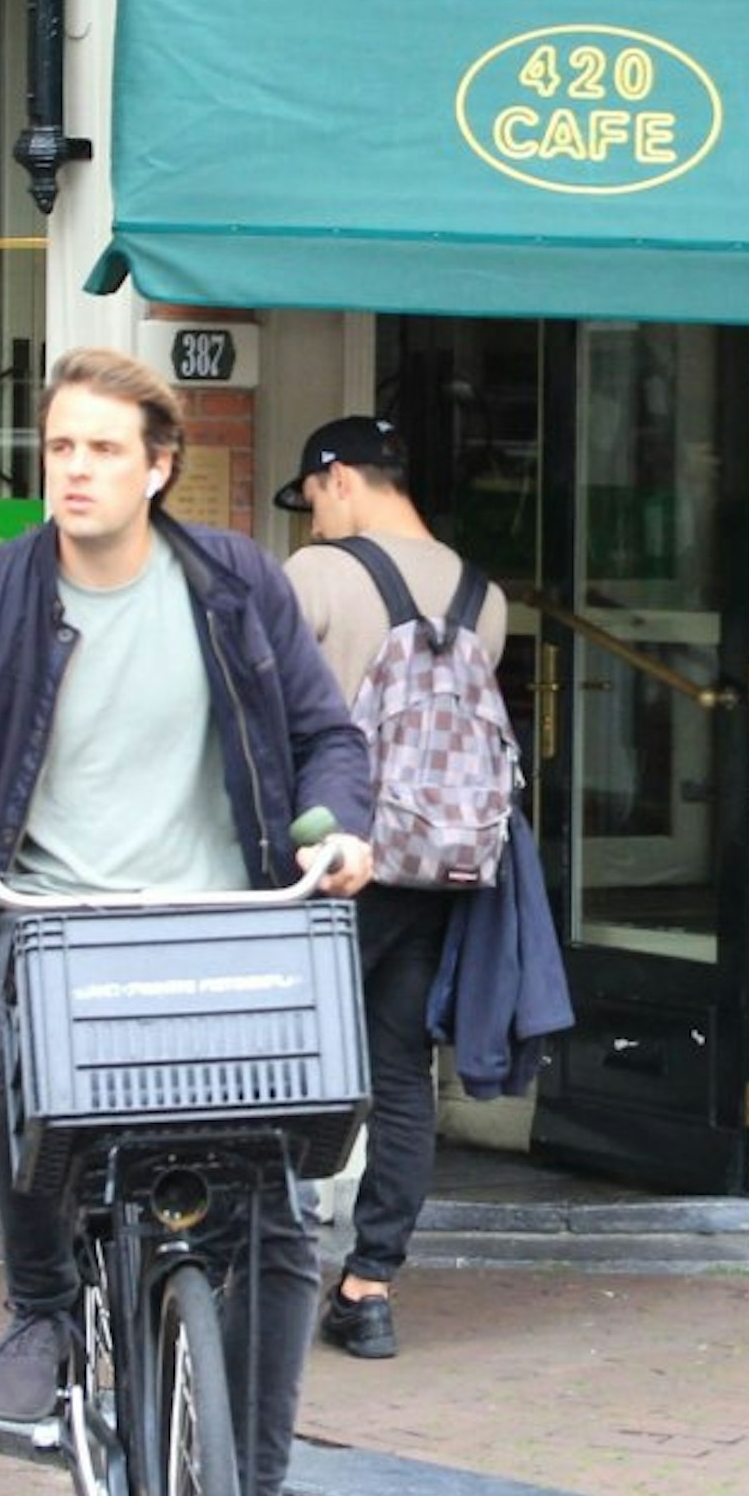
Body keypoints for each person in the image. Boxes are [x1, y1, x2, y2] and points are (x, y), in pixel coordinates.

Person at [0, 348, 375, 1496]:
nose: (78, 470)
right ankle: (41, 1308)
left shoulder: (235, 585)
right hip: (50, 917)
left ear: (160, 467)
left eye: (104, 448)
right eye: (60, 448)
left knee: (274, 1211)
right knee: (16, 1057)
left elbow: (326, 736)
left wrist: (337, 829)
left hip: (220, 924)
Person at [277, 414, 508, 1364]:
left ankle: (271, 1262)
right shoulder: (484, 596)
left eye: (313, 502)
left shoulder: (316, 578)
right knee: (401, 1071)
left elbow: (262, 711)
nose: (312, 523)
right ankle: (369, 1286)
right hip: (431, 867)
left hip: (323, 860)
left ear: (338, 478)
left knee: (280, 1062)